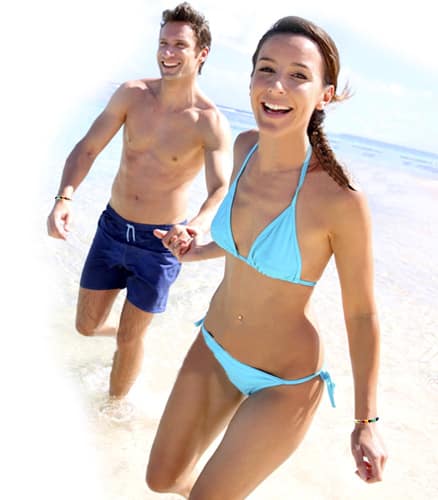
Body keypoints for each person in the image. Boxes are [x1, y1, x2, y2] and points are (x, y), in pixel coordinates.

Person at [147, 15, 387, 498]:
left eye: (299, 75)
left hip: (284, 382)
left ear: (324, 94)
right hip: (214, 347)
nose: (278, 85)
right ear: (252, 78)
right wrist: (194, 251)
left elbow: (360, 313)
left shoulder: (340, 200)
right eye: (266, 69)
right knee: (162, 480)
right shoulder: (244, 148)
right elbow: (246, 254)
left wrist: (366, 420)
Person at [46, 2, 231, 409]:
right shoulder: (133, 94)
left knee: (130, 338)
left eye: (179, 45)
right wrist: (65, 196)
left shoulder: (208, 121)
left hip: (160, 243)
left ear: (202, 54)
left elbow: (220, 189)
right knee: (85, 326)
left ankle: (111, 414)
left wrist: (196, 227)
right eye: (163, 43)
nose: (167, 52)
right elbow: (88, 147)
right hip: (112, 229)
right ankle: (133, 338)